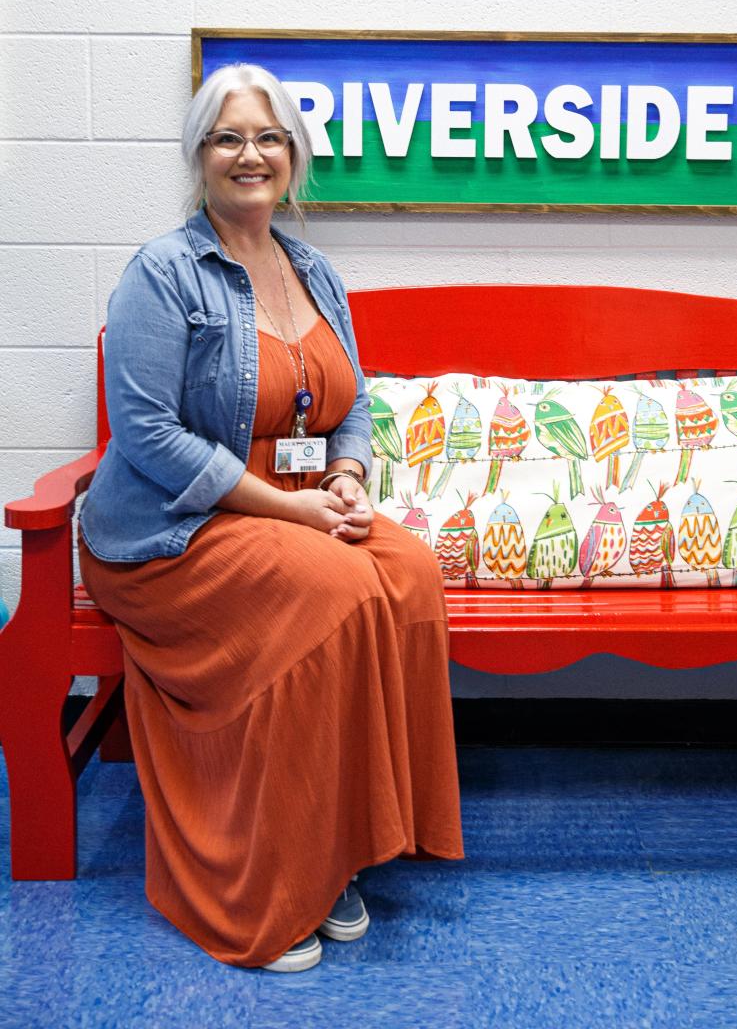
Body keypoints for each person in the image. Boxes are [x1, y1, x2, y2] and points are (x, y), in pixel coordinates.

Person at [78, 63, 463, 971]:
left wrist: (350, 475)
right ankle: (281, 872)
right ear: (199, 156)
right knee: (332, 590)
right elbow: (146, 435)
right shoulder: (162, 272)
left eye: (268, 138)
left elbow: (352, 404)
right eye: (227, 138)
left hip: (288, 509)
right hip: (173, 531)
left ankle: (346, 843)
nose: (249, 155)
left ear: (294, 156)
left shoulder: (313, 268)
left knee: (408, 575)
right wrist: (286, 512)